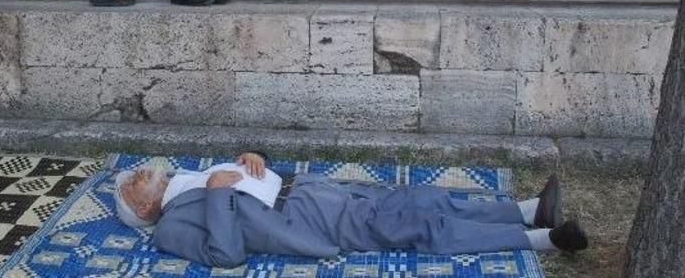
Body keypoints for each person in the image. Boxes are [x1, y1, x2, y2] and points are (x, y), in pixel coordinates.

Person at [115, 153, 588, 269]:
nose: (142, 173)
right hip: (303, 221)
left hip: (309, 189)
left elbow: (240, 179)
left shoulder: (187, 175)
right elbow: (225, 254)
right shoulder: (169, 226)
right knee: (419, 226)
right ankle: (542, 239)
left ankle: (525, 210)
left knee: (419, 198)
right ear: (142, 206)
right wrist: (218, 191)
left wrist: (250, 158)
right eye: (135, 181)